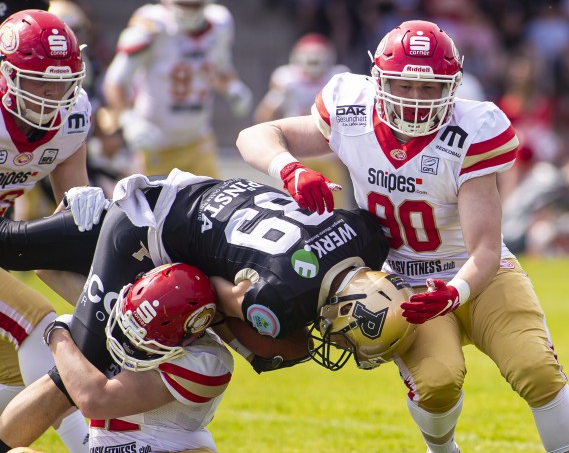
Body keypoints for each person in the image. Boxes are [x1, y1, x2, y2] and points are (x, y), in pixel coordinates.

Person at [236, 19, 569, 453]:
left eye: (430, 89)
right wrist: (288, 168)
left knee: (536, 369)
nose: (417, 101)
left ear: (454, 86)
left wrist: (455, 292)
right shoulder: (351, 110)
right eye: (405, 86)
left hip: (479, 275)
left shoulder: (473, 130)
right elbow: (256, 134)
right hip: (403, 284)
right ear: (380, 80)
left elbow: (482, 247)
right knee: (437, 384)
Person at [0, 169, 417, 449]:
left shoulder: (364, 237)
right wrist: (67, 331)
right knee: (78, 371)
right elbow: (217, 293)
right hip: (149, 230)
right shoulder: (275, 300)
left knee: (26, 251)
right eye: (345, 335)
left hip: (195, 202)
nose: (334, 341)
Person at [0, 8, 111, 452]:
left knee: (13, 378)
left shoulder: (73, 116)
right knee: (42, 326)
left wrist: (82, 204)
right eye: (39, 82)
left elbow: (71, 200)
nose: (53, 96)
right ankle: (92, 447)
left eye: (62, 82)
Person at [45, 262, 233, 451]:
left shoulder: (205, 361)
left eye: (144, 338)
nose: (129, 342)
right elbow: (48, 269)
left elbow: (94, 400)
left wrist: (57, 332)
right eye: (129, 325)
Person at [102, 0, 252, 178]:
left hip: (199, 139)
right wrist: (128, 119)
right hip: (156, 143)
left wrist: (232, 87)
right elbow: (114, 81)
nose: (188, 11)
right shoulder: (153, 26)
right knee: (156, 206)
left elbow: (220, 69)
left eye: (194, 5)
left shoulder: (219, 23)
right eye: (183, 4)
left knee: (211, 203)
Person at [254, 32, 354, 209]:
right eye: (309, 60)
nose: (313, 65)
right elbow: (263, 117)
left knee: (335, 211)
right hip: (297, 157)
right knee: (294, 210)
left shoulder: (339, 77)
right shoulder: (286, 79)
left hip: (329, 156)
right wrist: (276, 96)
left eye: (317, 60)